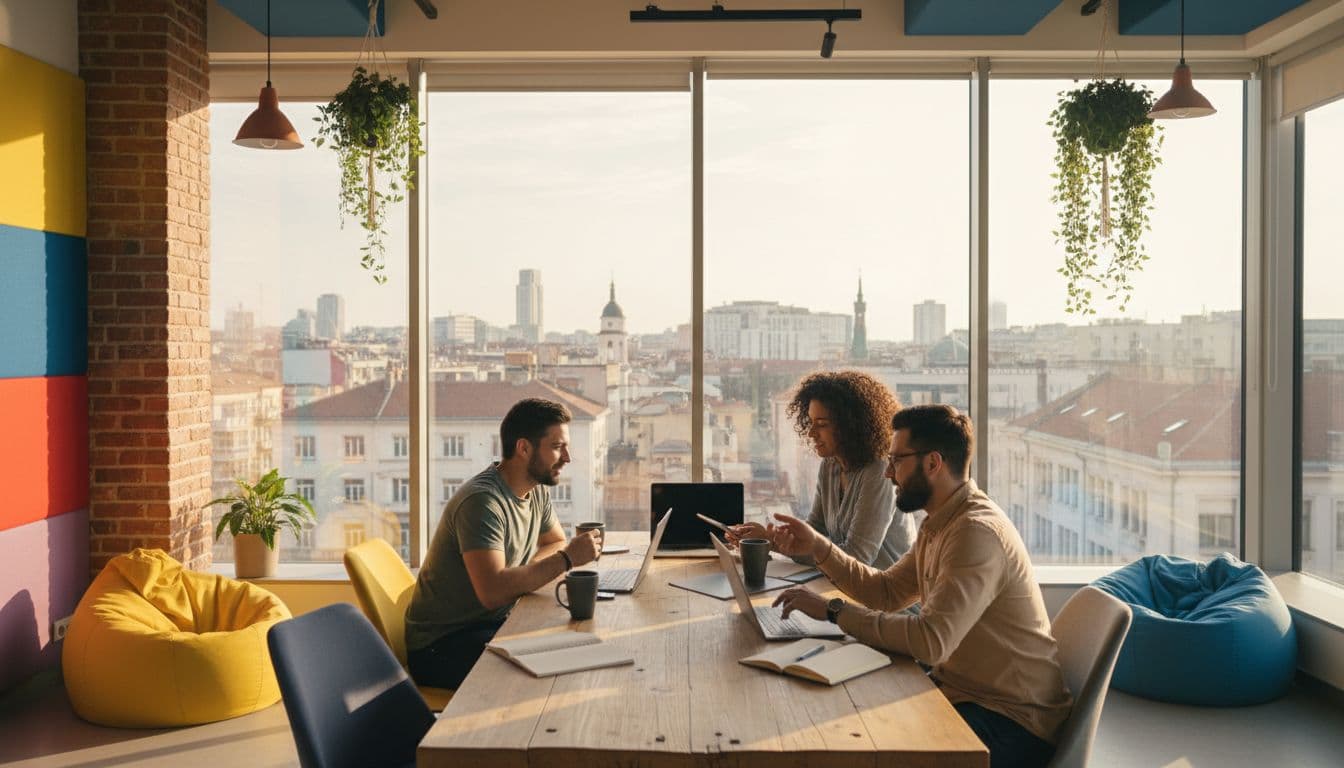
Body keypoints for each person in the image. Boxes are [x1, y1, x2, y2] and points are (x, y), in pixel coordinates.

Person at [768, 404, 1071, 768]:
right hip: (963, 694)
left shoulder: (975, 532)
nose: (888, 474)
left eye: (896, 461)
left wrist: (834, 611)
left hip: (1011, 722)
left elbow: (931, 641)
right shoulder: (941, 520)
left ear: (932, 463)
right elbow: (888, 593)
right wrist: (819, 548)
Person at [405, 398, 601, 689]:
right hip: (443, 645)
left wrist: (533, 572)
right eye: (558, 447)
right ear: (523, 448)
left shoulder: (534, 490)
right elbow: (493, 592)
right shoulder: (482, 502)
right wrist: (566, 560)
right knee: (556, 670)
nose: (567, 458)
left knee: (576, 646)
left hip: (491, 623)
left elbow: (555, 541)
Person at [728, 370, 916, 568]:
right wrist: (767, 538)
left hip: (881, 594)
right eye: (810, 422)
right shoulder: (831, 465)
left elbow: (857, 558)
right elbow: (815, 532)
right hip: (843, 586)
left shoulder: (879, 472)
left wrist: (775, 542)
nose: (811, 433)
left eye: (822, 424)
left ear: (850, 426)